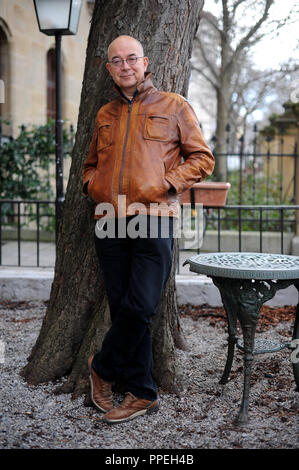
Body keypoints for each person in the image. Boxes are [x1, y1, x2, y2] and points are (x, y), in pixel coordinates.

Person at [82, 35, 214, 424]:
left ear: (145, 62)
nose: (125, 65)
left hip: (154, 216)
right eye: (117, 60)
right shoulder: (105, 113)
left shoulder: (173, 106)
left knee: (140, 307)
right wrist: (93, 186)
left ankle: (102, 368)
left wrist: (166, 185)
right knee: (125, 308)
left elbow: (202, 159)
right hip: (109, 217)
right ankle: (142, 391)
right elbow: (89, 164)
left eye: (131, 58)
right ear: (109, 69)